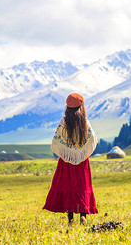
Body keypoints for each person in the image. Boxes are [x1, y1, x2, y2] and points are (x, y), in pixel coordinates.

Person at [43, 93, 98, 226]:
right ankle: (83, 215)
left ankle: (70, 219)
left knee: (68, 185)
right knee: (82, 185)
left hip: (66, 160)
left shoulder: (64, 121)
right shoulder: (85, 122)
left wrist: (67, 151)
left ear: (67, 107)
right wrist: (80, 151)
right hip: (82, 159)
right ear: (81, 106)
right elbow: (92, 139)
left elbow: (57, 140)